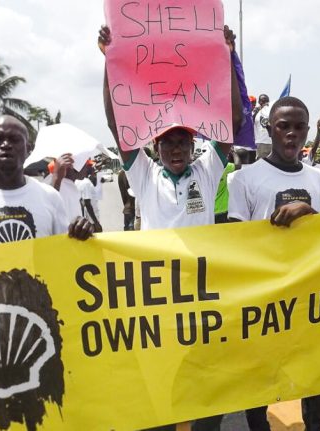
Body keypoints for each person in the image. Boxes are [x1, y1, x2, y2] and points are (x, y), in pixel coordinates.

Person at [100, 24, 243, 431]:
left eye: (183, 141)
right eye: (168, 142)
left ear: (194, 144)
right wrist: (110, 62)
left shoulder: (209, 168)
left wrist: (228, 56)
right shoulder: (144, 175)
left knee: (204, 376)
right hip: (156, 293)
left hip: (201, 289)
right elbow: (117, 123)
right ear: (155, 147)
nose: (177, 149)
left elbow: (231, 118)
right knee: (158, 381)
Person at [227, 96, 320, 431]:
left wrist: (308, 212)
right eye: (283, 126)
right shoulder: (243, 179)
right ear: (270, 130)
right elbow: (235, 244)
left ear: (307, 132)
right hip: (263, 299)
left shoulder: (319, 180)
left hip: (309, 296)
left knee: (314, 376)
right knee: (259, 377)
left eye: (299, 127)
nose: (292, 134)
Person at [0, 115, 94, 253]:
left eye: (14, 139)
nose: (6, 144)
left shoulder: (51, 197)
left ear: (28, 149)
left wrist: (81, 233)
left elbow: (65, 253)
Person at [254, 94, 272, 159]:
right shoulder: (256, 112)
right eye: (262, 101)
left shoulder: (271, 111)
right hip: (261, 142)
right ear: (259, 102)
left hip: (271, 142)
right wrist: (255, 112)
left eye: (266, 101)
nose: (264, 103)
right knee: (261, 163)